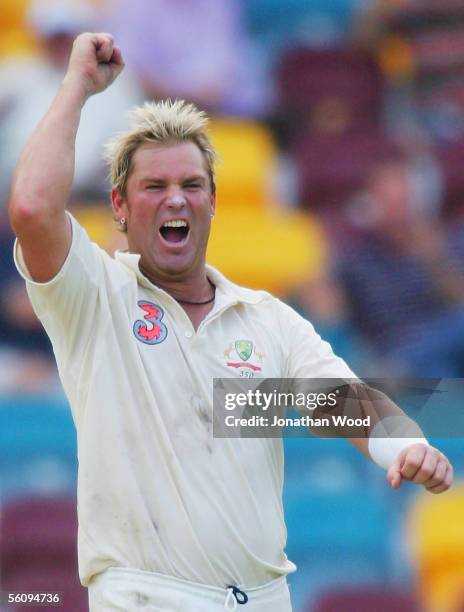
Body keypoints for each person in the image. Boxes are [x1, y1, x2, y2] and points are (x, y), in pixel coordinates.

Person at [9, 33, 453, 612]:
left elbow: (343, 399)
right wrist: (76, 89)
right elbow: (32, 208)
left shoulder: (266, 318)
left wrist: (404, 448)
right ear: (118, 206)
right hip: (143, 597)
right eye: (154, 187)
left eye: (192, 185)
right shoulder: (93, 296)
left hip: (264, 600)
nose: (176, 199)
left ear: (214, 202)